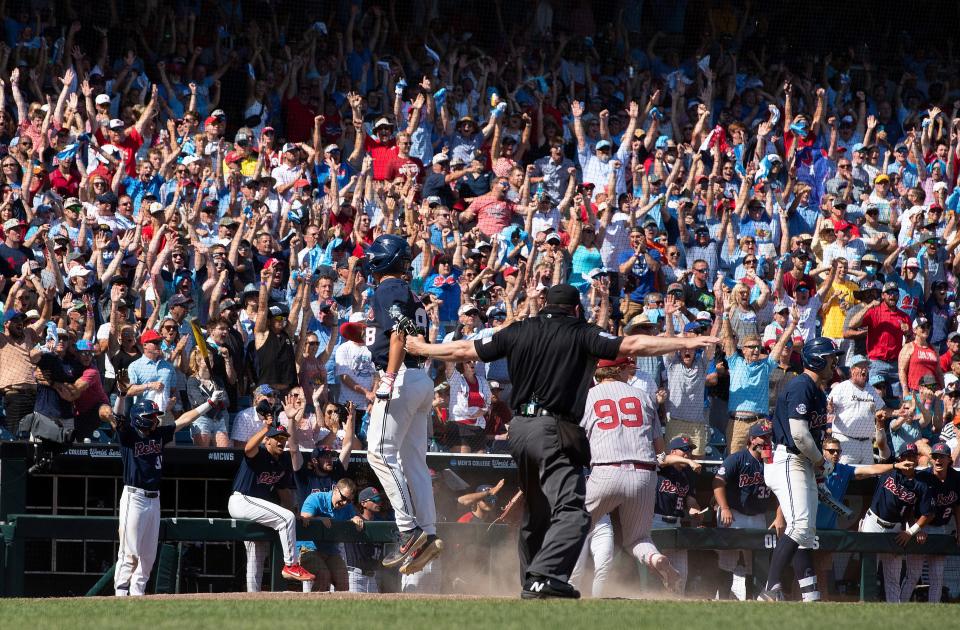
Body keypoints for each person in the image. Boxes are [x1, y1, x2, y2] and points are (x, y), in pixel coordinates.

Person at [406, 285, 718, 599]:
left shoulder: (519, 329)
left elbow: (463, 351)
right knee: (573, 511)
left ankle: (528, 582)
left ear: (543, 305)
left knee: (537, 512)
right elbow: (634, 343)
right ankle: (544, 576)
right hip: (554, 428)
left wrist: (423, 349)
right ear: (576, 309)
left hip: (521, 430)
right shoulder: (582, 332)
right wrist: (685, 340)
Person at [363, 234, 443, 576]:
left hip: (401, 377)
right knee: (413, 461)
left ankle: (409, 531)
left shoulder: (389, 288)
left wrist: (390, 378)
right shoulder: (410, 292)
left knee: (379, 452)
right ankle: (428, 531)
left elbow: (399, 331)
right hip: (420, 379)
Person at [112, 391, 225, 596]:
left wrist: (208, 403)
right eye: (151, 416)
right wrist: (121, 395)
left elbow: (185, 419)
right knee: (130, 553)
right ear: (139, 418)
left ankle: (138, 594)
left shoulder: (158, 434)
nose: (155, 419)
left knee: (148, 555)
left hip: (154, 498)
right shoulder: (128, 435)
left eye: (156, 416)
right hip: (134, 496)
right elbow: (117, 417)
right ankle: (120, 594)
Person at [759, 337, 842, 602]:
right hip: (788, 458)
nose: (834, 362)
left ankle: (810, 594)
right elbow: (799, 435)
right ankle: (770, 589)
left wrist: (817, 469)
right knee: (800, 525)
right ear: (817, 359)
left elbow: (810, 439)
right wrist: (821, 463)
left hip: (802, 461)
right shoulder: (801, 385)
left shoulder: (817, 390)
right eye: (830, 357)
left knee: (806, 533)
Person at [813, 436, 918, 599]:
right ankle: (795, 601)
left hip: (828, 529)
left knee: (823, 571)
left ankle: (821, 603)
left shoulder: (844, 470)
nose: (835, 454)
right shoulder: (811, 468)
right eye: (831, 451)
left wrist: (895, 465)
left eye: (838, 451)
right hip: (808, 526)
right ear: (822, 452)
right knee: (806, 569)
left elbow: (871, 470)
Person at [228, 394, 313, 591]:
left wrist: (295, 511)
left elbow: (284, 493)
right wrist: (266, 428)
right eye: (277, 438)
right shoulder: (261, 453)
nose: (281, 442)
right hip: (242, 501)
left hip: (259, 509)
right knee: (286, 519)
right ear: (267, 441)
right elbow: (248, 448)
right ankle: (291, 565)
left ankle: (253, 597)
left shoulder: (282, 461)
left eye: (283, 438)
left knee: (258, 554)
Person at [713, 422, 783, 601]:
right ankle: (722, 599)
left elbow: (782, 490)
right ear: (752, 439)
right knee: (728, 560)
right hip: (734, 514)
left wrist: (779, 516)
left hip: (758, 516)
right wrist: (725, 508)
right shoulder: (737, 458)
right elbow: (717, 482)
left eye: (769, 437)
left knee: (754, 561)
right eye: (764, 437)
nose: (768, 440)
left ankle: (751, 599)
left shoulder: (772, 462)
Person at [858, 442, 924, 603]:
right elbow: (881, 444)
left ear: (916, 459)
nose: (908, 460)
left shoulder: (920, 483)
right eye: (905, 456)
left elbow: (915, 513)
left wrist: (912, 530)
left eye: (912, 456)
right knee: (868, 569)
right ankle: (864, 605)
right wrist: (880, 424)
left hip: (895, 528)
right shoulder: (889, 470)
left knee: (893, 575)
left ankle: (894, 610)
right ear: (899, 458)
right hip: (873, 522)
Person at [900, 442, 960, 603]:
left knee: (937, 576)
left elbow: (957, 507)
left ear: (949, 459)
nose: (938, 460)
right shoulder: (923, 477)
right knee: (913, 574)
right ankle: (898, 606)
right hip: (920, 527)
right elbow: (908, 506)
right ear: (931, 459)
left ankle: (933, 609)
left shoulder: (956, 478)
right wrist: (915, 529)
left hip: (941, 529)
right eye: (935, 457)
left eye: (942, 457)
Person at [651, 436, 703, 596]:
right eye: (685, 450)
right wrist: (690, 462)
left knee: (681, 574)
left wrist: (695, 510)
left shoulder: (688, 474)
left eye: (690, 451)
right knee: (657, 572)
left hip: (677, 524)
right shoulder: (661, 466)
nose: (689, 454)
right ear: (674, 451)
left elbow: (690, 498)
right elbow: (664, 458)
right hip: (657, 521)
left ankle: (675, 604)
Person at [298, 477, 362, 593]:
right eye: (343, 498)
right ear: (336, 490)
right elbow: (304, 518)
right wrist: (318, 519)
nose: (344, 503)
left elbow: (354, 517)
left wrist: (356, 518)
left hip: (331, 551)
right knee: (323, 575)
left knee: (342, 579)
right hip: (308, 549)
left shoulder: (347, 506)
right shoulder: (316, 498)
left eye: (349, 500)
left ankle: (339, 610)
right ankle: (314, 609)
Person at [827, 355, 889, 464]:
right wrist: (830, 408)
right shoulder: (842, 387)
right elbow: (828, 407)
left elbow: (883, 409)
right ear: (852, 370)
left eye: (866, 367)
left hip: (866, 443)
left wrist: (899, 412)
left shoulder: (870, 389)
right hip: (846, 441)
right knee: (845, 476)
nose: (864, 369)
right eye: (861, 367)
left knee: (867, 478)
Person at [344, 486, 388, 593]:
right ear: (363, 503)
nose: (379, 503)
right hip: (356, 576)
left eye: (379, 500)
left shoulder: (381, 523)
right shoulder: (355, 521)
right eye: (375, 500)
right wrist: (352, 519)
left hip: (373, 576)